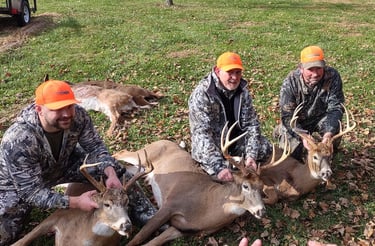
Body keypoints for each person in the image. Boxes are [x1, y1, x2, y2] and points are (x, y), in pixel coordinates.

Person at [0, 80, 156, 245]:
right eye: (58, 109)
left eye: (69, 106)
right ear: (39, 109)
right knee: (4, 234)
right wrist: (75, 202)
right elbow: (30, 192)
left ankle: (148, 216)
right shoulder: (18, 140)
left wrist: (110, 171)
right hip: (17, 186)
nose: (67, 113)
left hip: (63, 164)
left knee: (115, 168)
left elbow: (96, 148)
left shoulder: (78, 116)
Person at [189, 52, 272, 181]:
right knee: (216, 174)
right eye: (230, 72)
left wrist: (251, 156)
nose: (234, 77)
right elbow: (201, 134)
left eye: (238, 72)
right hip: (213, 146)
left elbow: (252, 125)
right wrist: (218, 167)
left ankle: (237, 164)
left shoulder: (242, 91)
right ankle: (218, 167)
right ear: (217, 71)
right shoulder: (203, 94)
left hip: (235, 142)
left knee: (266, 148)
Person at [273, 45, 345, 161]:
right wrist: (303, 136)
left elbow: (336, 108)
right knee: (292, 156)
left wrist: (328, 133)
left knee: (334, 134)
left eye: (319, 68)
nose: (315, 74)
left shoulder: (332, 76)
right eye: (310, 69)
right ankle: (280, 132)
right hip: (298, 121)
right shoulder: (291, 82)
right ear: (301, 68)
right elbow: (287, 116)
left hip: (320, 118)